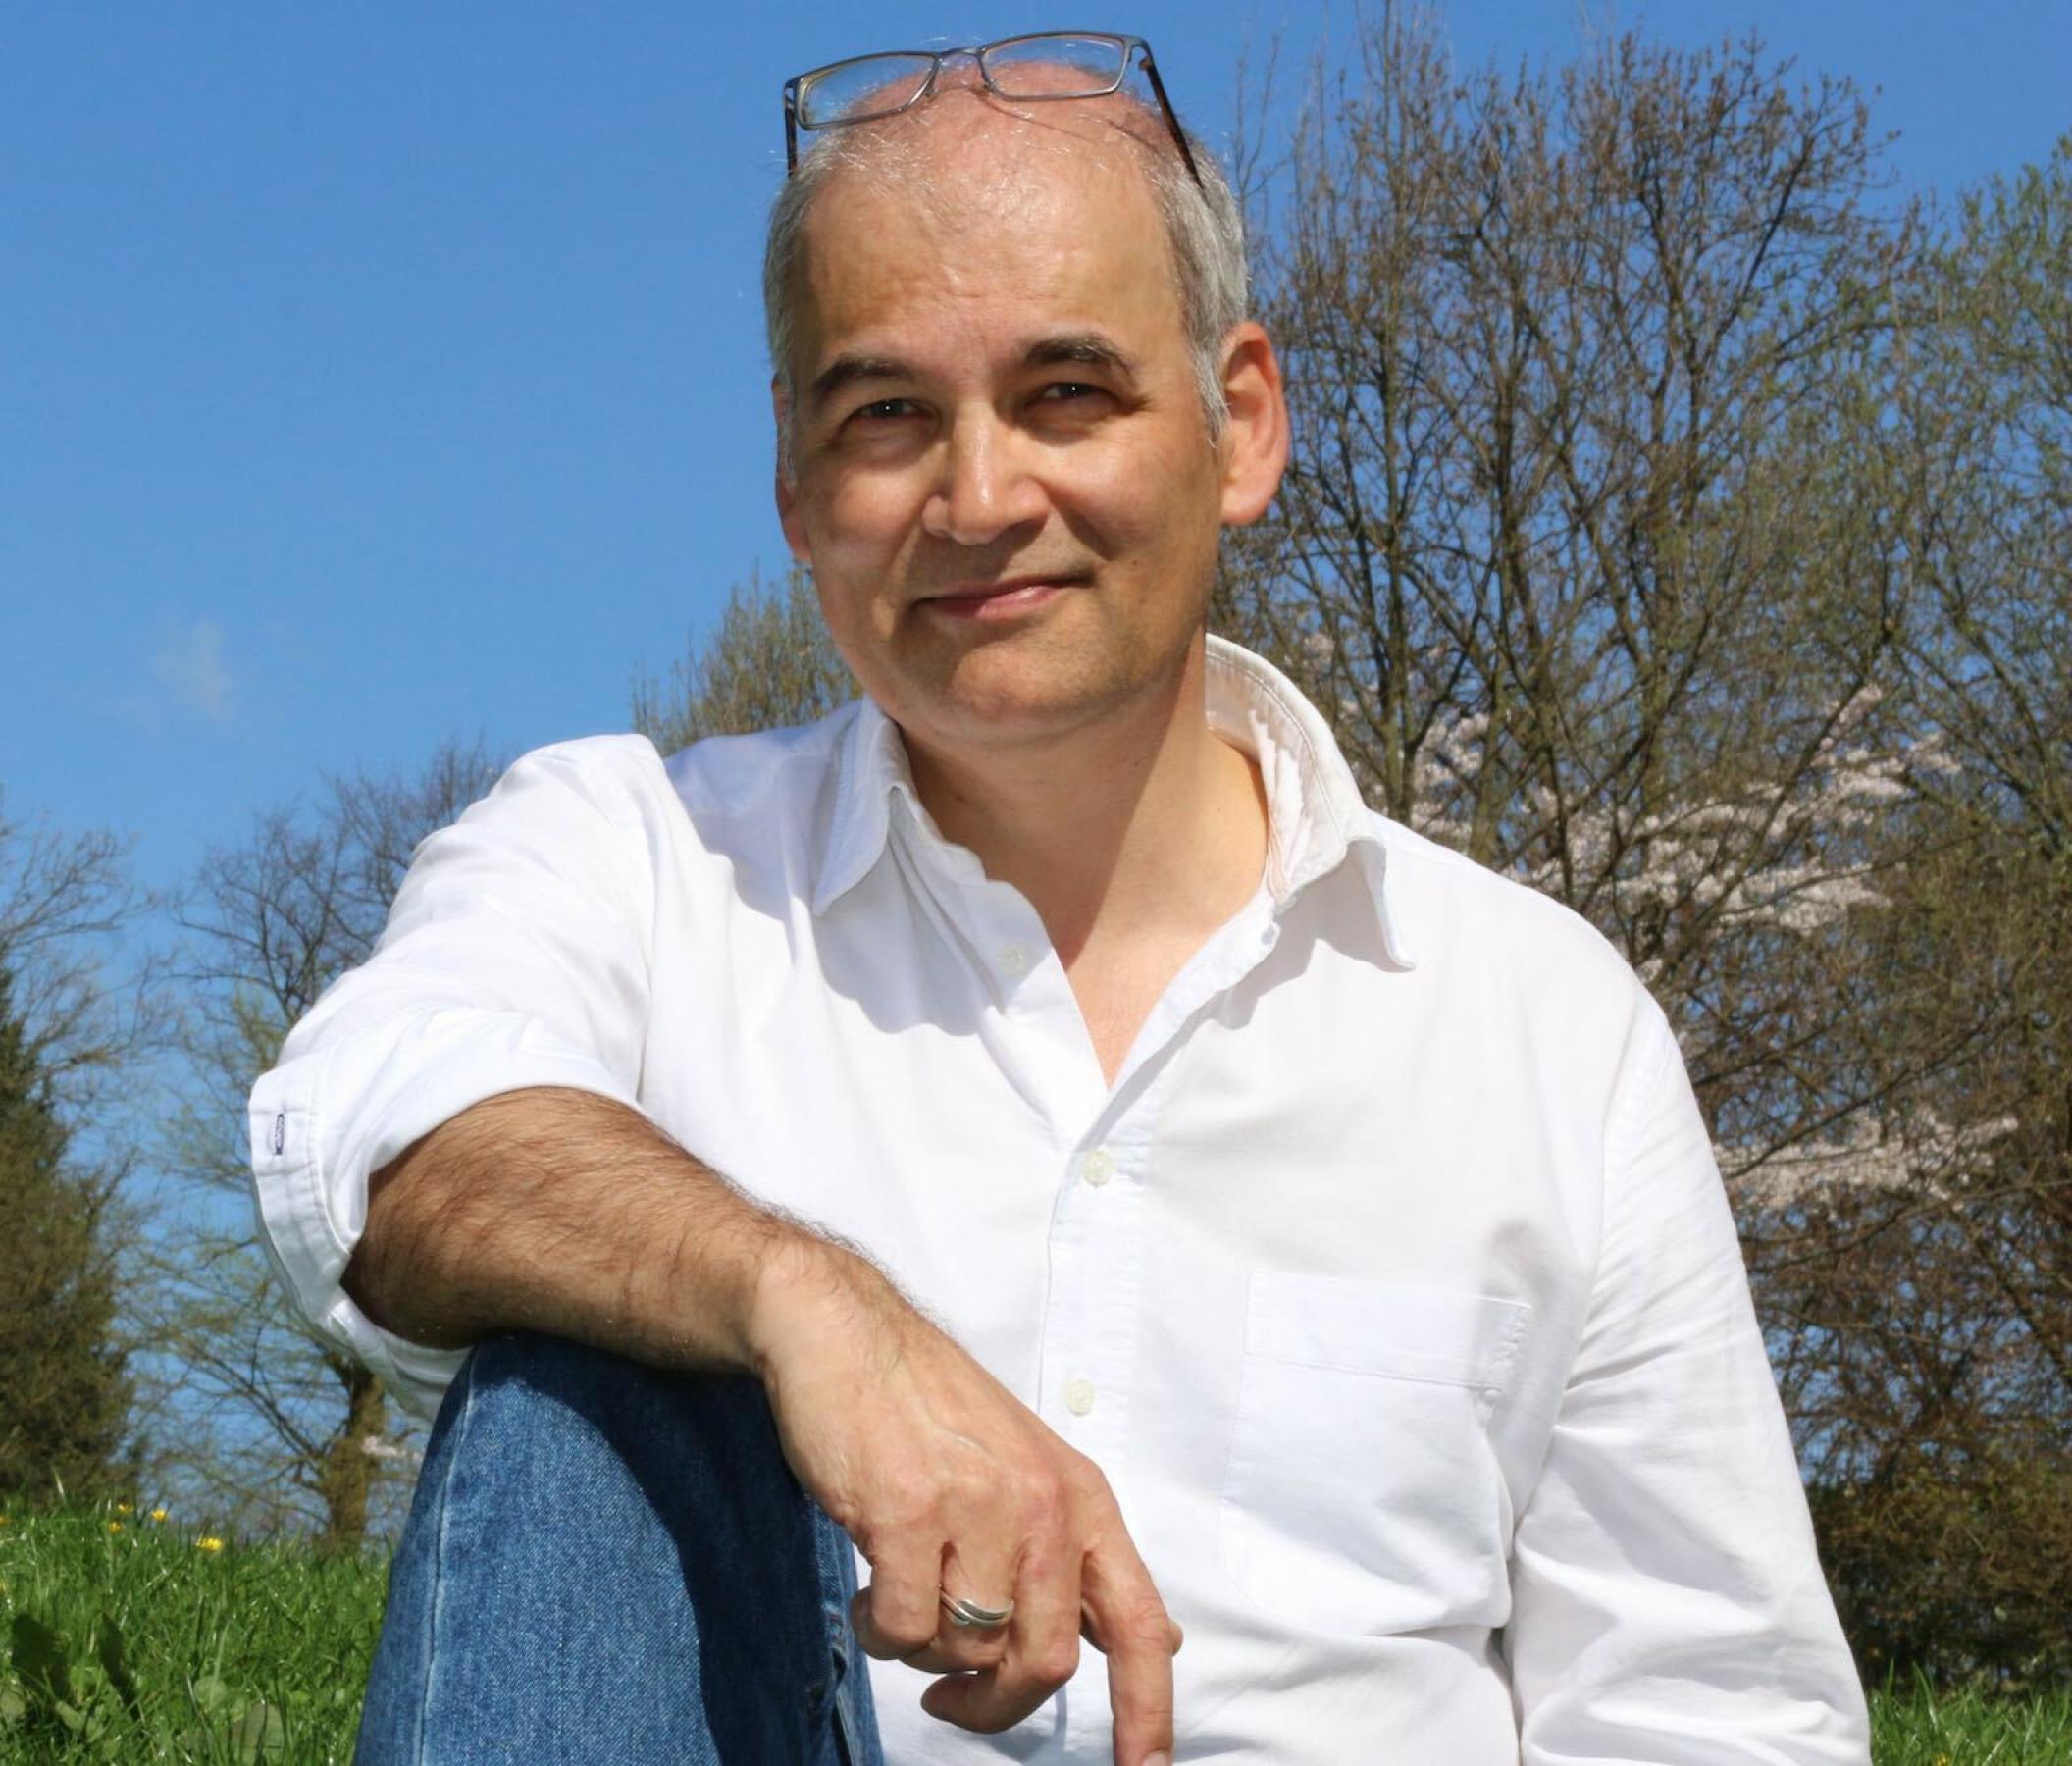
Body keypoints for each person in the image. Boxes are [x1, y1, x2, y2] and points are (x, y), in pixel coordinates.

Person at [248, 30, 1865, 1765]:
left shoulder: (1544, 1023)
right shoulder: (631, 854)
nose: (980, 496)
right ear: (795, 484)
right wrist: (805, 1302)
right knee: (586, 1378)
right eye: (886, 414)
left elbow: (1712, 1711)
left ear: (1241, 426)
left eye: (1066, 394)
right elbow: (379, 1134)